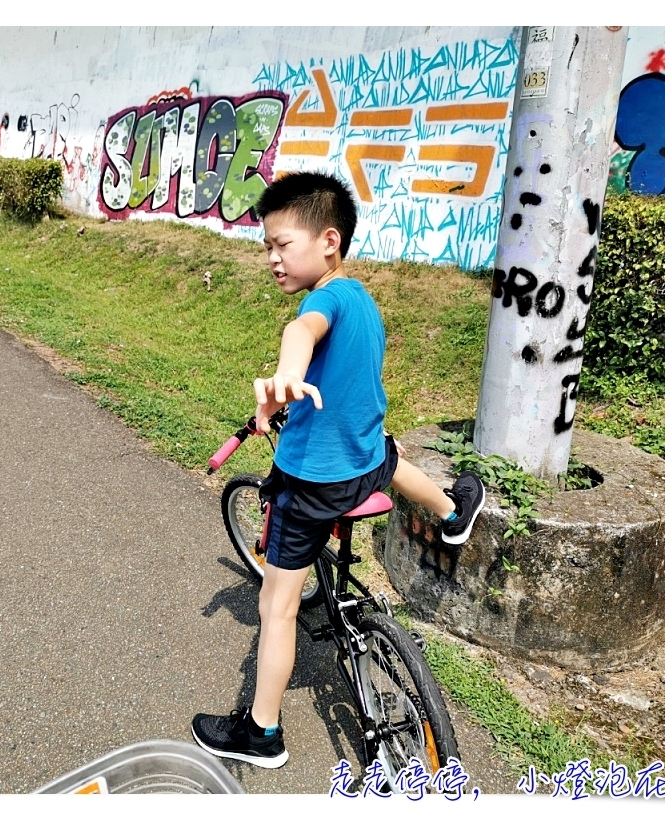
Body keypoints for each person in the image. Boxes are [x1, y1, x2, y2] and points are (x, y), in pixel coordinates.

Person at [191, 171, 484, 769]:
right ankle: (453, 514)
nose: (272, 258)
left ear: (328, 240)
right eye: (266, 246)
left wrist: (287, 374)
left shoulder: (318, 301)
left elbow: (300, 330)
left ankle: (262, 734)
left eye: (282, 244)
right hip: (363, 460)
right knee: (391, 457)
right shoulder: (365, 301)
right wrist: (288, 393)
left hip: (314, 483)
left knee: (278, 608)